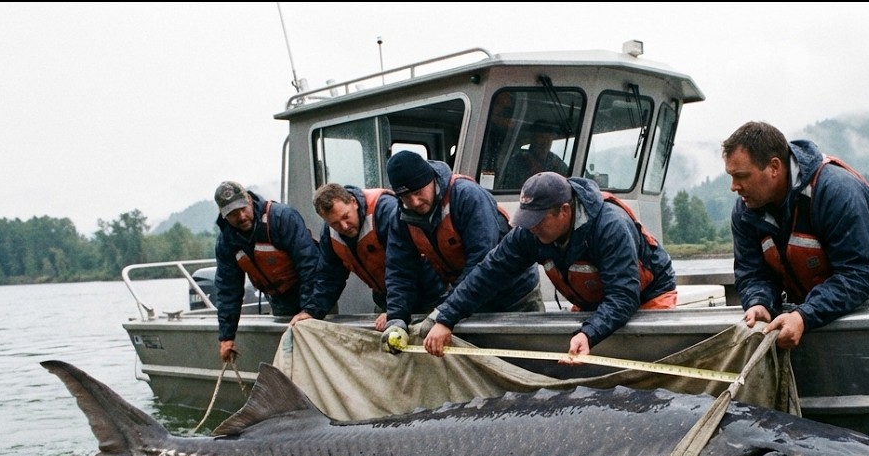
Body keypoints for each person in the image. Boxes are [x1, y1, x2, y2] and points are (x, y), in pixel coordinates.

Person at [421, 171, 678, 361]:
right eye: (527, 219)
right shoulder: (531, 233)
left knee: (646, 361)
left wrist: (589, 333)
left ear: (564, 211)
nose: (532, 227)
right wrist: (447, 318)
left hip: (647, 298)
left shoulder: (611, 227)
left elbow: (623, 296)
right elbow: (490, 271)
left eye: (538, 220)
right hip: (592, 302)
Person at [722, 121, 869, 350]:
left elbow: (858, 274)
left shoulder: (837, 192)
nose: (734, 187)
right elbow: (752, 273)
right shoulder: (745, 210)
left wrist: (804, 315)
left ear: (774, 167)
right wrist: (759, 303)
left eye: (741, 176)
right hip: (817, 301)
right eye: (731, 176)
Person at [381, 151, 543, 339]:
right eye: (406, 198)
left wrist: (445, 313)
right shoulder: (400, 217)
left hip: (515, 295)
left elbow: (482, 261)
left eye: (418, 192)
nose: (414, 202)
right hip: (467, 299)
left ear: (432, 180)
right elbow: (399, 270)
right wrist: (397, 319)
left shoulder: (468, 197)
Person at [290, 183, 445, 331]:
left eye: (346, 217)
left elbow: (406, 266)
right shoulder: (330, 235)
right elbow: (329, 277)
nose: (344, 226)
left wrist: (396, 312)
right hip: (386, 300)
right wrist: (311, 311)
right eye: (335, 224)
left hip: (428, 295)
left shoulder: (385, 211)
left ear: (353, 202)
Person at [212, 180, 320, 363]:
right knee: (290, 360)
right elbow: (228, 290)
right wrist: (226, 337)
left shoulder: (282, 217)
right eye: (232, 213)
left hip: (312, 294)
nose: (241, 216)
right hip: (280, 302)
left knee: (316, 354)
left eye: (242, 208)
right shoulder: (225, 243)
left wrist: (309, 310)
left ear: (249, 199)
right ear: (223, 215)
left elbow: (309, 265)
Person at [498, 124, 570, 191]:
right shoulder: (518, 161)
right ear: (532, 139)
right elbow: (509, 187)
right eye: (541, 137)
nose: (545, 142)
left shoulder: (556, 162)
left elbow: (568, 180)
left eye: (548, 138)